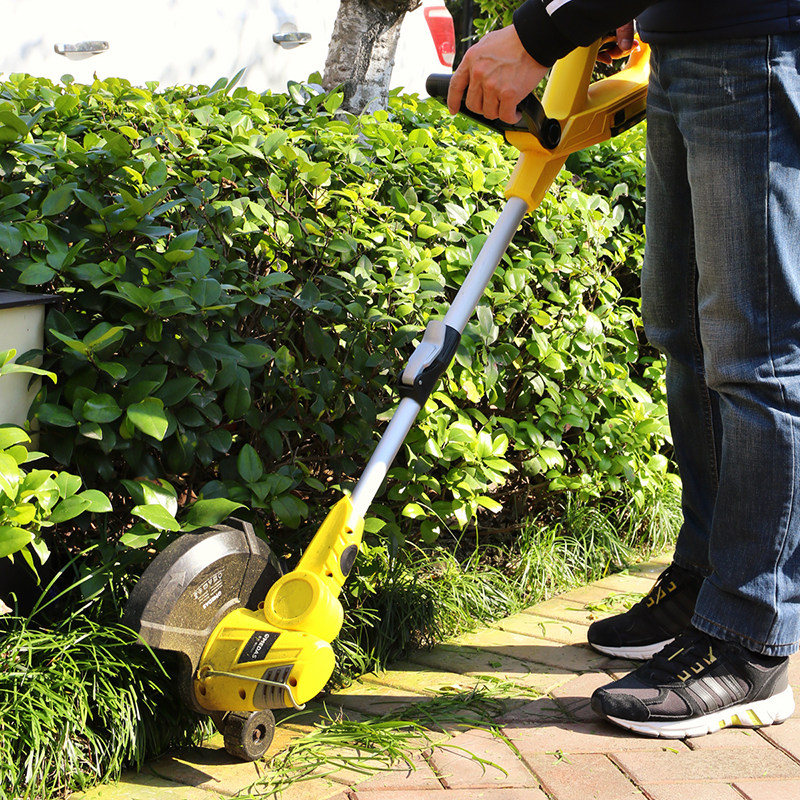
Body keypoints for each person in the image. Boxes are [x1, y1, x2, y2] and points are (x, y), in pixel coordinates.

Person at [448, 0, 800, 738]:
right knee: (687, 336)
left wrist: (541, 35)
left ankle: (750, 642)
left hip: (760, 40)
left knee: (757, 356)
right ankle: (707, 580)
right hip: (696, 41)